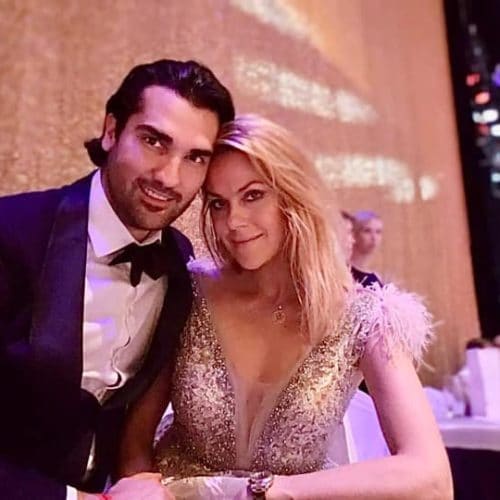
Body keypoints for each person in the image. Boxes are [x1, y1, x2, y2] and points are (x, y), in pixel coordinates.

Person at [118, 115, 452, 499]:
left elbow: (432, 478)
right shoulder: (187, 291)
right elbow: (134, 447)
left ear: (293, 195)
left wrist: (266, 492)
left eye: (253, 195)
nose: (233, 221)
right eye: (218, 204)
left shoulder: (367, 318)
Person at [0, 58, 234, 500]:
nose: (169, 177)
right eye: (154, 141)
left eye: (195, 158)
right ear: (111, 131)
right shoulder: (11, 234)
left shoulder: (180, 265)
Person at [350, 210, 383, 287]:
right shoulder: (346, 272)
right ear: (354, 234)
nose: (374, 237)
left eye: (378, 232)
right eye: (367, 231)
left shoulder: (376, 276)